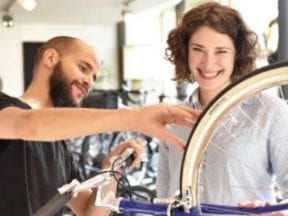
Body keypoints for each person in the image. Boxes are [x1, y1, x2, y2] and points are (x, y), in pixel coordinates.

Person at [0, 36, 200, 216]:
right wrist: (132, 117)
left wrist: (110, 168)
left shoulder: (60, 151)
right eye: (83, 68)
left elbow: (91, 212)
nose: (89, 82)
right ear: (51, 58)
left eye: (94, 77)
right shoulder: (5, 107)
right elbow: (26, 125)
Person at [157, 1, 288, 212]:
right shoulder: (173, 118)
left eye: (221, 51)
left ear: (237, 54)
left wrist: (275, 211)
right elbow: (163, 199)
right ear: (185, 52)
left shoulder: (270, 111)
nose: (208, 63)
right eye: (198, 49)